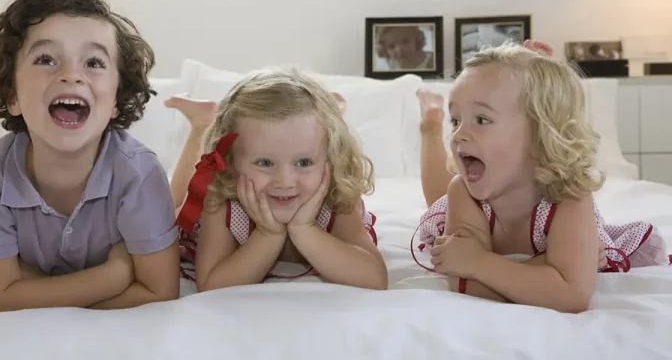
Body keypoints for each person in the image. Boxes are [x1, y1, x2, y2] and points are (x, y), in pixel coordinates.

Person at [0, 0, 180, 312]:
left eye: (93, 63)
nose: (71, 75)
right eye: (46, 59)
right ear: (13, 96)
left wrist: (30, 286)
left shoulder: (138, 172)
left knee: (182, 202)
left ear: (116, 101)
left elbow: (159, 291)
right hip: (112, 276)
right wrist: (115, 275)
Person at [413, 41, 670, 313]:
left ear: (540, 135)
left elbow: (572, 296)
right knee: (439, 197)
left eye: (482, 120)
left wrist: (479, 263)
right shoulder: (463, 192)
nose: (458, 135)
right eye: (455, 121)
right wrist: (547, 270)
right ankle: (430, 125)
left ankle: (431, 124)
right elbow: (465, 284)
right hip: (469, 199)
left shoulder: (568, 196)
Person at [167, 68, 387, 291]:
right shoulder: (224, 199)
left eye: (304, 162)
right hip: (215, 198)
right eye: (265, 162)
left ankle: (333, 113)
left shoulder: (334, 194)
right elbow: (212, 284)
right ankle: (202, 124)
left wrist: (305, 229)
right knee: (171, 211)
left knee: (320, 129)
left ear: (330, 158)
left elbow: (374, 278)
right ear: (230, 161)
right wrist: (268, 235)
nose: (285, 182)